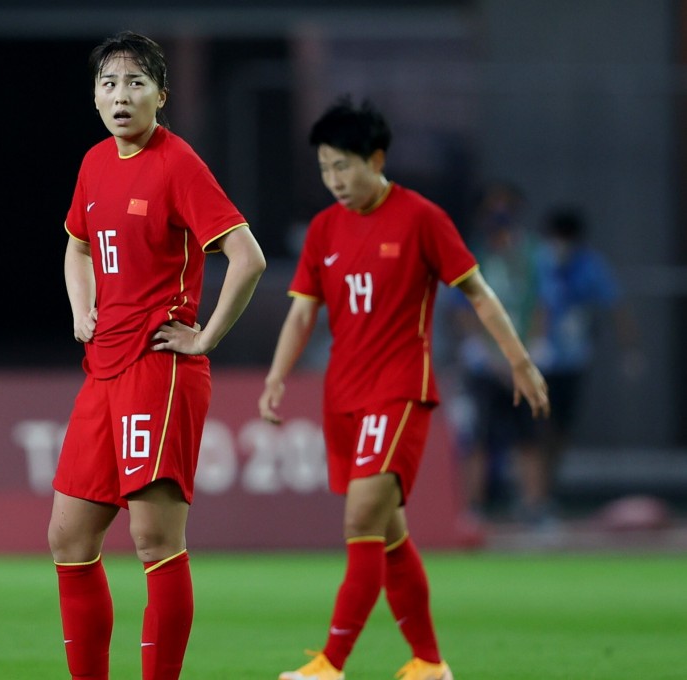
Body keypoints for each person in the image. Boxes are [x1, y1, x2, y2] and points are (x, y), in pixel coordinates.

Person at [258, 96, 548, 680]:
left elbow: (478, 293)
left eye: (345, 165)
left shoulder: (420, 218)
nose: (335, 180)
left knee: (362, 517)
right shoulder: (323, 230)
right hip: (343, 395)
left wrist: (519, 361)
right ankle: (430, 663)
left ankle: (329, 664)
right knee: (389, 535)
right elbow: (301, 314)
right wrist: (276, 376)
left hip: (400, 391)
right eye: (325, 169)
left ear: (378, 158)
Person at [48, 32, 266, 680]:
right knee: (69, 539)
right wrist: (80, 310)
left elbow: (247, 257)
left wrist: (205, 337)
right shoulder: (92, 164)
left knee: (155, 542)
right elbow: (77, 245)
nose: (121, 96)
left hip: (158, 370)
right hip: (103, 370)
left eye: (136, 83)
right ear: (94, 96)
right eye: (110, 84)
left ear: (161, 96)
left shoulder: (177, 163)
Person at [522, 206, 641, 523]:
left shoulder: (589, 265)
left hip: (571, 362)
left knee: (560, 432)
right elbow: (530, 304)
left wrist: (630, 350)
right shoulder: (537, 261)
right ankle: (534, 497)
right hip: (539, 362)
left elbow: (616, 306)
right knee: (537, 429)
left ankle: (545, 492)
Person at [445, 182, 542, 524]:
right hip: (484, 364)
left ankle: (533, 507)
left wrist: (524, 356)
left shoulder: (532, 256)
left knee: (529, 437)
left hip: (522, 361)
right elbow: (462, 310)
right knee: (478, 438)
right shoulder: (473, 254)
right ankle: (473, 508)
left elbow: (541, 306)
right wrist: (487, 355)